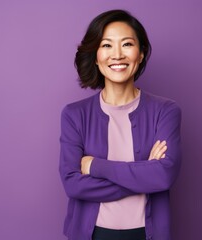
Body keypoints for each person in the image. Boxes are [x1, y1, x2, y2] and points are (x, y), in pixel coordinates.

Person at [59, 9, 181, 240]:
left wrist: (95, 166)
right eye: (106, 45)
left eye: (126, 44)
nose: (117, 54)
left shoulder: (166, 111)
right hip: (91, 234)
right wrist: (144, 177)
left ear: (141, 53)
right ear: (95, 56)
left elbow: (164, 176)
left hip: (148, 234)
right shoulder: (74, 115)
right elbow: (73, 185)